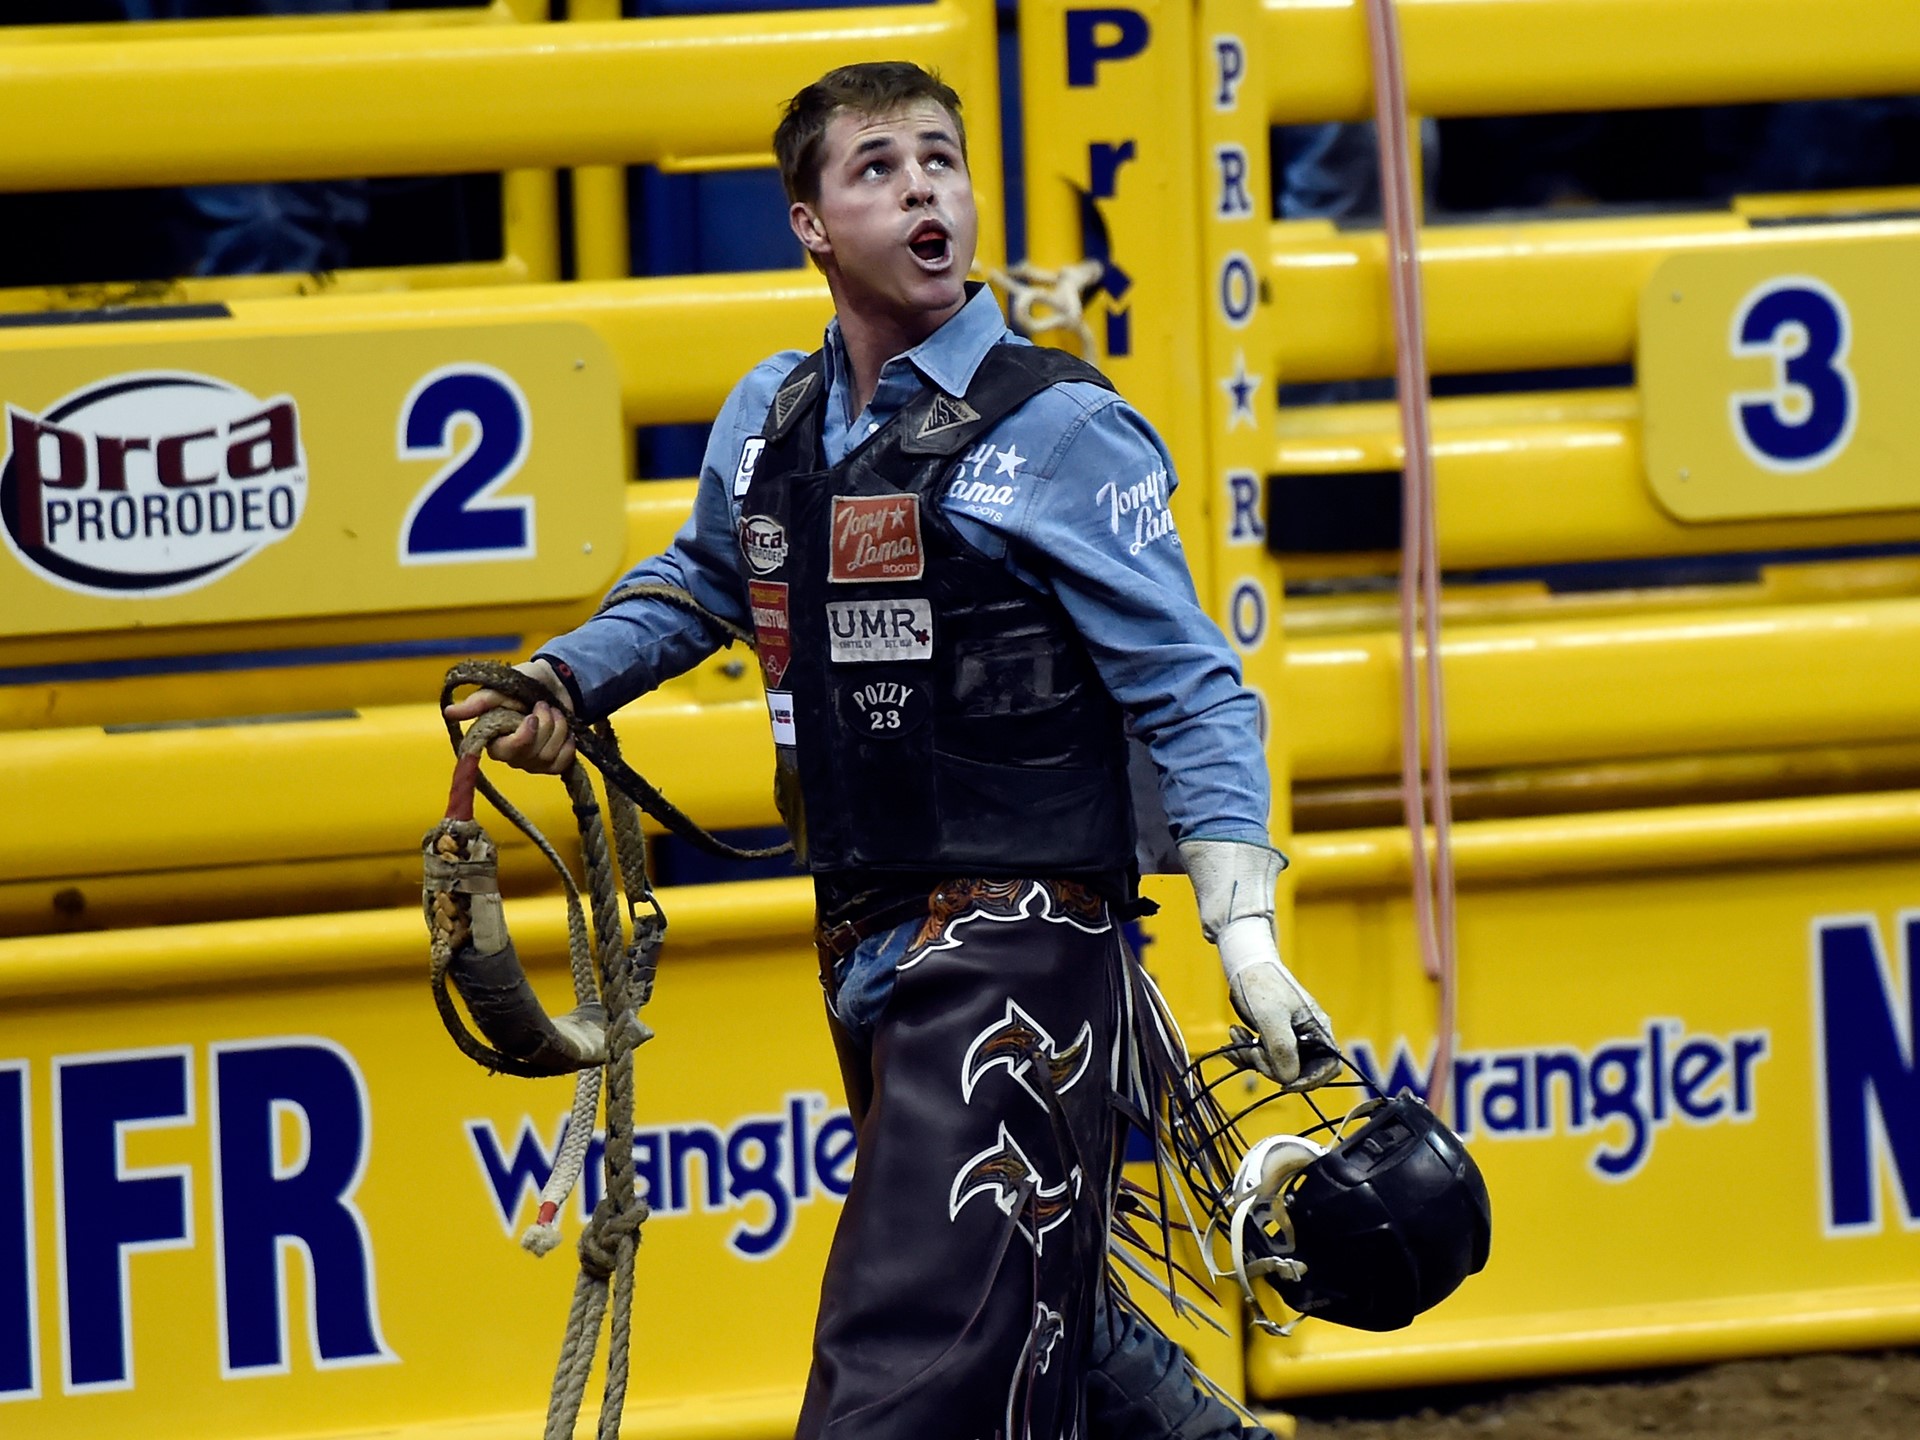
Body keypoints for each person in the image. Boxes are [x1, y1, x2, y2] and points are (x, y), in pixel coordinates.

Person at [446, 61, 1339, 1440]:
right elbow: (701, 584)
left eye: (942, 160)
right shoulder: (771, 418)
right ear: (811, 224)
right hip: (868, 930)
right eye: (877, 167)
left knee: (908, 1346)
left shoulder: (1060, 426)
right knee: (1037, 1296)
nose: (923, 184)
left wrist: (1249, 933)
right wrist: (569, 676)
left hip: (1022, 943)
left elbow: (1191, 682)